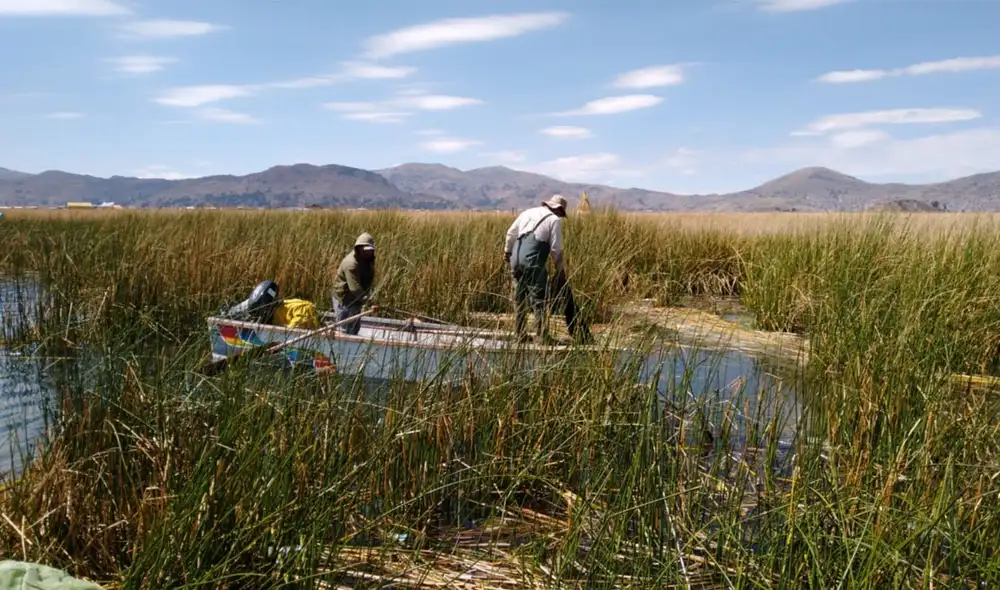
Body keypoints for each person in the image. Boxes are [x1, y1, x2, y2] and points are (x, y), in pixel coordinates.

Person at [503, 195, 567, 343]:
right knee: (539, 299)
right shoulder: (554, 220)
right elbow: (556, 249)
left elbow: (510, 233)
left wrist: (507, 252)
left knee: (519, 298)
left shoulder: (527, 213)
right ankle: (541, 336)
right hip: (532, 261)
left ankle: (519, 335)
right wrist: (560, 270)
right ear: (558, 210)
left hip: (516, 259)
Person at [332, 232, 376, 335]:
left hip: (357, 299)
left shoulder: (368, 260)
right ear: (359, 248)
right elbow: (355, 288)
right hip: (344, 300)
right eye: (365, 249)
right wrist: (369, 301)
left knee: (354, 329)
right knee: (345, 330)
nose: (368, 252)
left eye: (370, 250)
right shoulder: (351, 264)